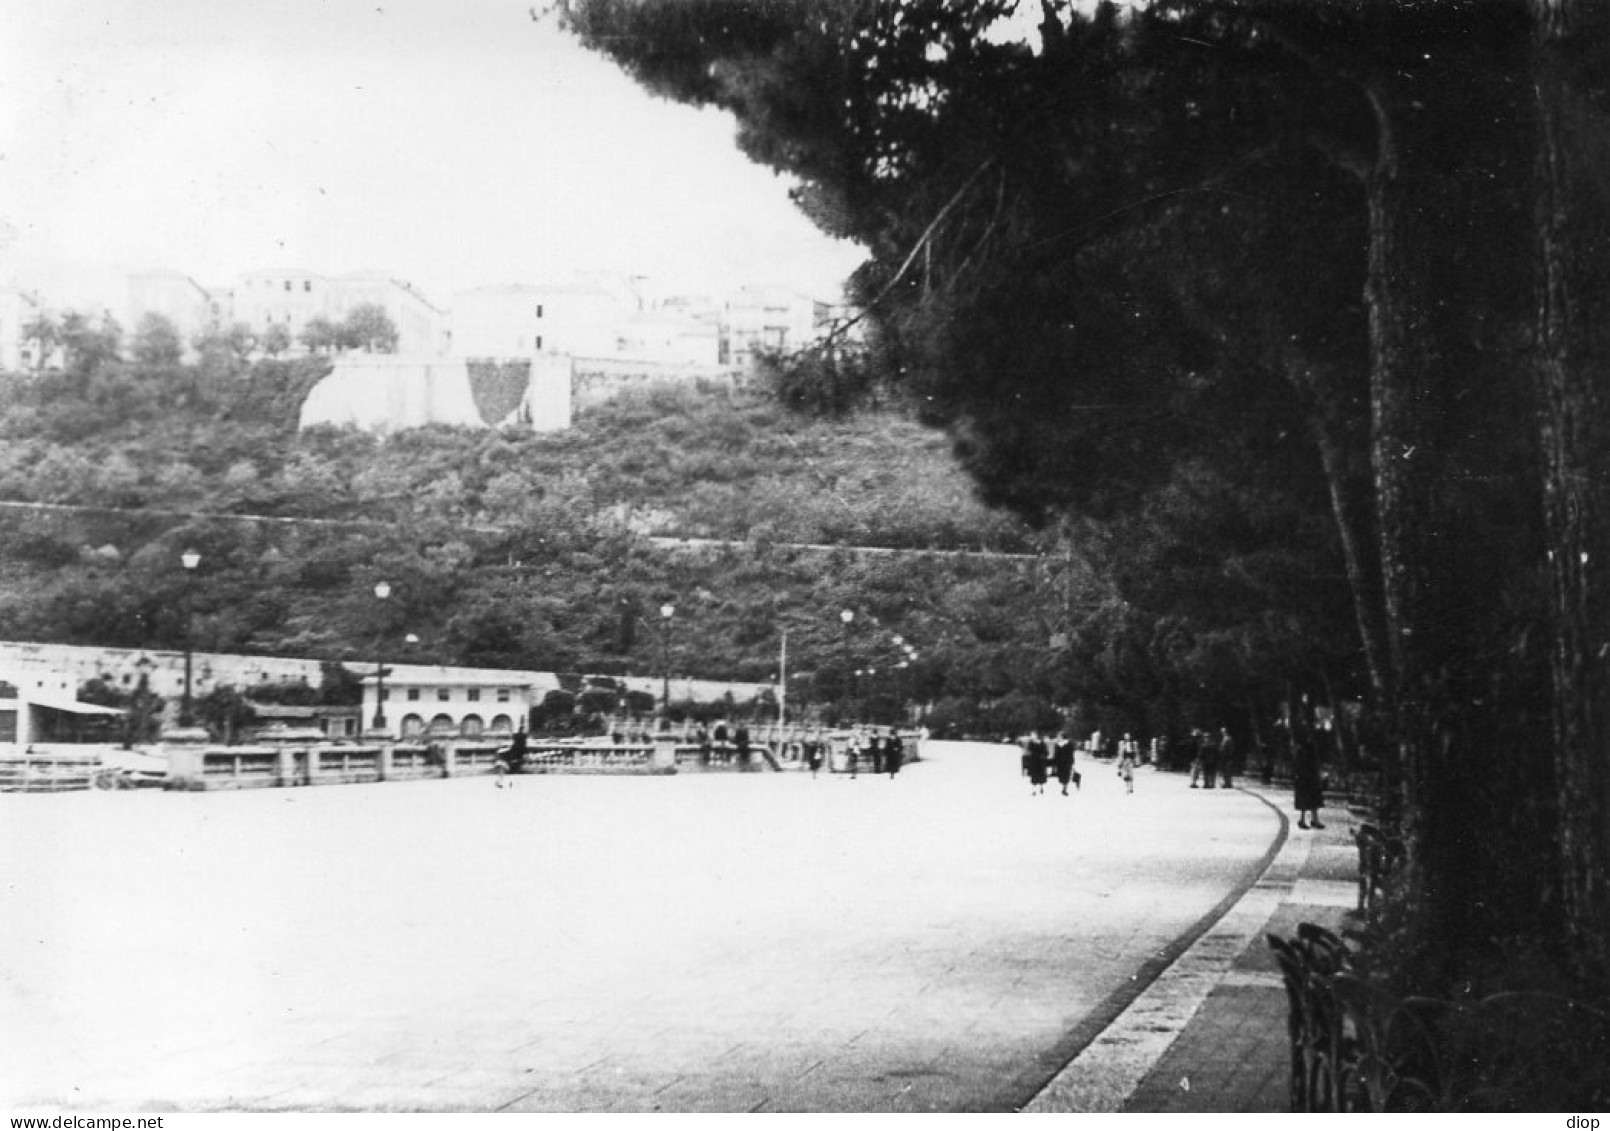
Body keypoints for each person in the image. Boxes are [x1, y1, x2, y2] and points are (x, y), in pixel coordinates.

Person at [1292, 728, 1325, 829]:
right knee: (1308, 798)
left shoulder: (1302, 749)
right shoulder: (1307, 749)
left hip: (1306, 777)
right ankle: (1308, 820)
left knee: (1310, 799)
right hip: (1307, 777)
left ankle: (1312, 819)